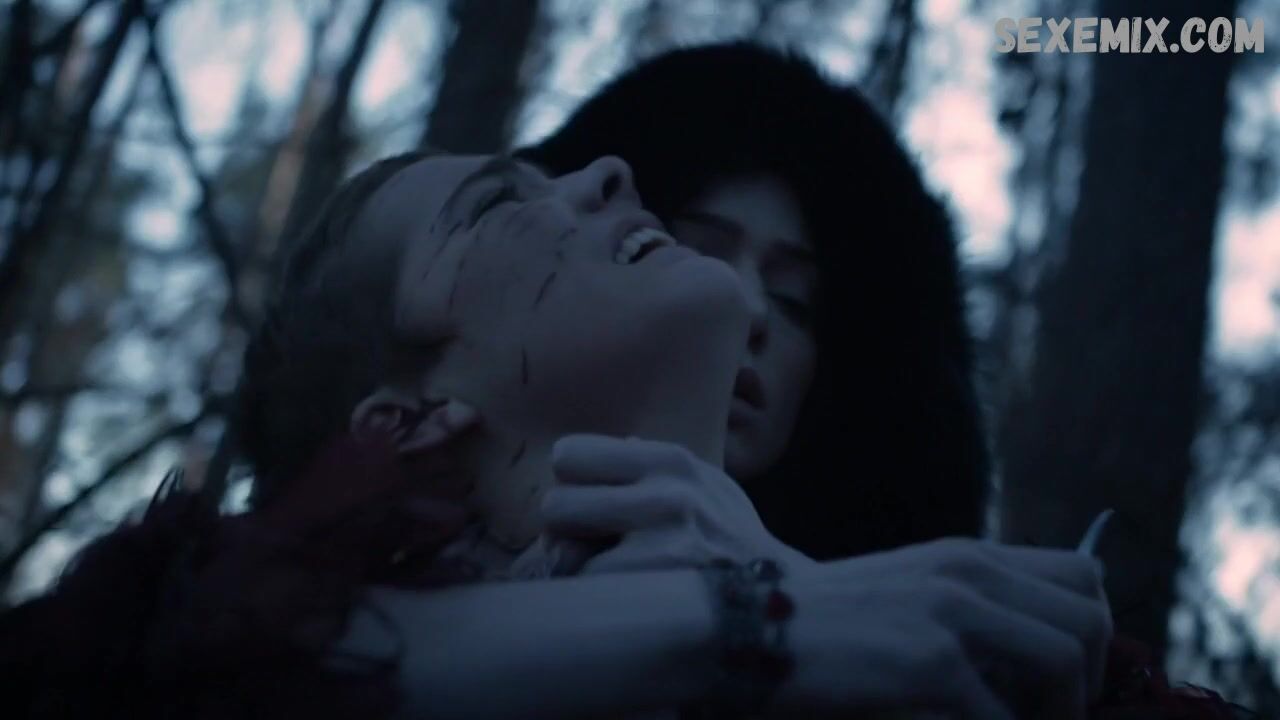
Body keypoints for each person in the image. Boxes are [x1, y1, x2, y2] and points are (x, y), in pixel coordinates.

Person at [0, 149, 1114, 719]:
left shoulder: (907, 639)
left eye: (798, 292)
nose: (611, 173)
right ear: (405, 423)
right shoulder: (183, 653)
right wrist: (746, 622)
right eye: (494, 207)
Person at [517, 42, 989, 561]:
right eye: (698, 253)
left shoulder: (907, 611)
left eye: (795, 302)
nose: (750, 308)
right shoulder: (447, 554)